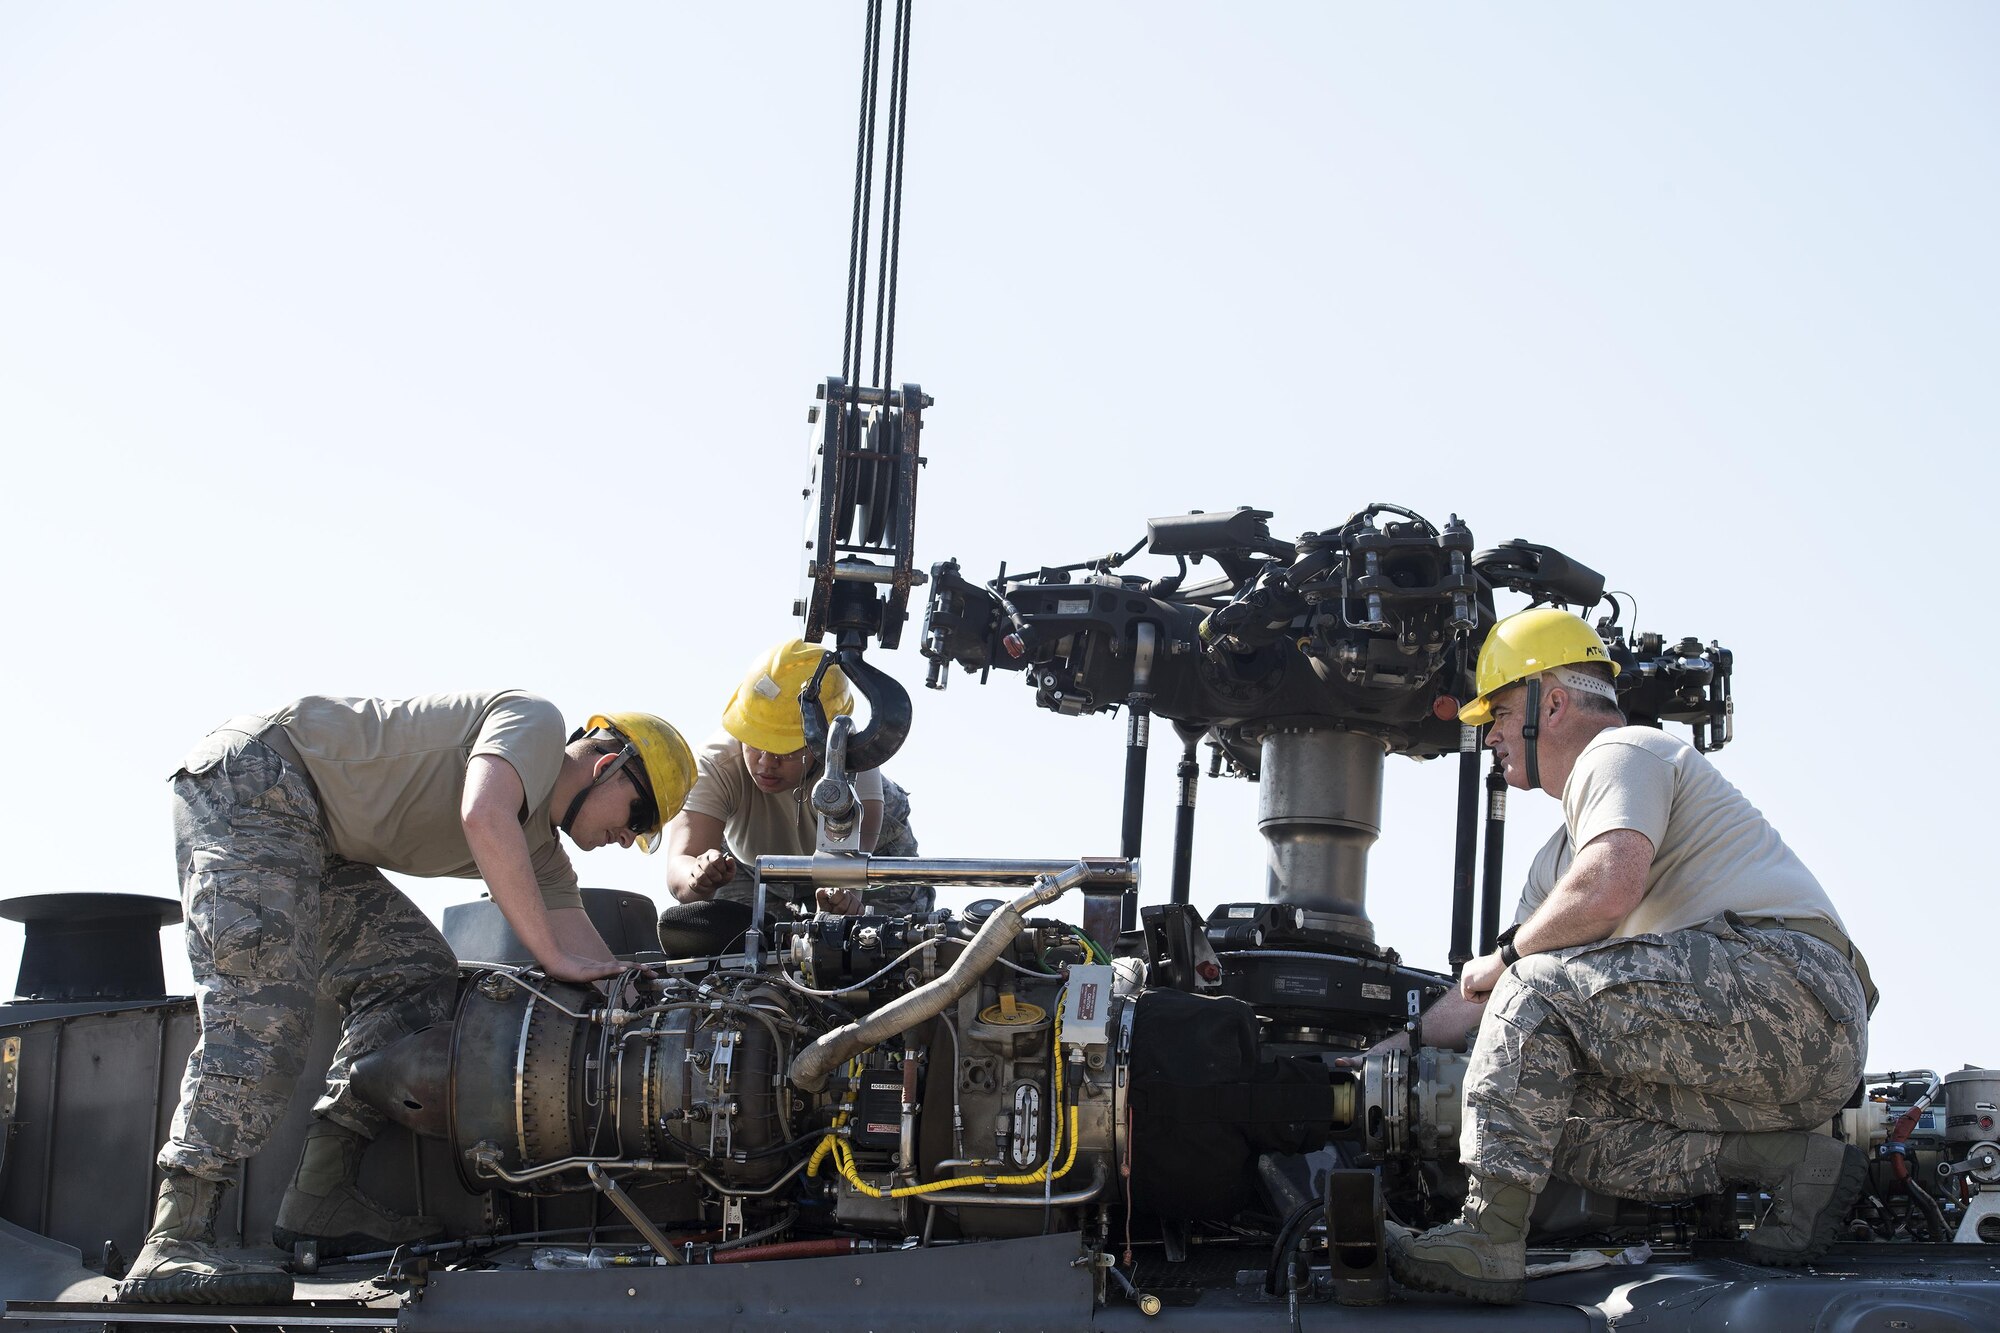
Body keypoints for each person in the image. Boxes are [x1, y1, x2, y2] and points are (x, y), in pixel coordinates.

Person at [119, 695, 695, 1306]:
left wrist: (663, 1011)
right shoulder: (536, 723)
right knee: (262, 1012)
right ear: (608, 765)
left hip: (316, 837)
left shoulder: (540, 853)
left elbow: (594, 965)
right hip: (260, 784)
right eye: (640, 814)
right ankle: (173, 1239)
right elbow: (482, 812)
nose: (630, 837)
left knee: (416, 976)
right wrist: (552, 958)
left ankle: (320, 1195)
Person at [1386, 610, 1874, 1305]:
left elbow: (1604, 893)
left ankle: (1487, 1239)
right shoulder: (1557, 864)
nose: (1488, 732)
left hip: (1791, 991)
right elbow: (1489, 1000)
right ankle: (1796, 1167)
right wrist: (1393, 1047)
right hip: (1756, 1059)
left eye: (1497, 711)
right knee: (1551, 1112)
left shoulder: (1622, 754)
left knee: (1533, 985)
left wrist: (1504, 959)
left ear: (1550, 702)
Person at [660, 640, 923, 954]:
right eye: (756, 743)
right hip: (751, 867)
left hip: (866, 862)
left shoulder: (855, 760)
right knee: (740, 960)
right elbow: (680, 869)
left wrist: (843, 899)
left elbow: (851, 874)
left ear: (824, 740)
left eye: (786, 750)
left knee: (885, 951)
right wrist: (699, 878)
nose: (766, 763)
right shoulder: (715, 764)